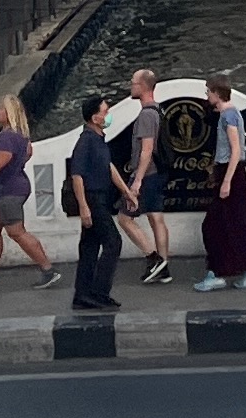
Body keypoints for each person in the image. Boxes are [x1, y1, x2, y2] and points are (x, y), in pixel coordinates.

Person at [0, 97, 51, 288]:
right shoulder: (20, 136)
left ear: (9, 113)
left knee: (16, 232)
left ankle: (48, 269)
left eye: (0, 109)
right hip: (6, 189)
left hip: (8, 191)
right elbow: (27, 154)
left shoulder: (7, 137)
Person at [62, 88, 123, 311]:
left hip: (101, 197)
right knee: (113, 242)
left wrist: (126, 191)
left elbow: (108, 168)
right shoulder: (86, 141)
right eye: (105, 111)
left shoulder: (99, 140)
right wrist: (84, 207)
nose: (108, 115)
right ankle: (98, 292)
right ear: (95, 117)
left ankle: (83, 294)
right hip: (92, 198)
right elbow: (77, 175)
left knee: (89, 246)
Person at [198, 74, 246, 292]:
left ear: (217, 93)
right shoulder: (229, 114)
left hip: (231, 173)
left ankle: (220, 272)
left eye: (208, 92)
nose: (206, 95)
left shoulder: (228, 116)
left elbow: (235, 151)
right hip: (232, 173)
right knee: (234, 224)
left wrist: (226, 181)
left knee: (215, 225)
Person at [117, 68, 174, 284]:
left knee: (125, 217)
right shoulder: (159, 111)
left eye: (133, 83)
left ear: (143, 87)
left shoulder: (146, 115)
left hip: (147, 175)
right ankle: (164, 268)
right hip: (158, 173)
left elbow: (146, 150)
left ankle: (154, 259)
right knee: (155, 216)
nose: (131, 86)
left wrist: (137, 180)